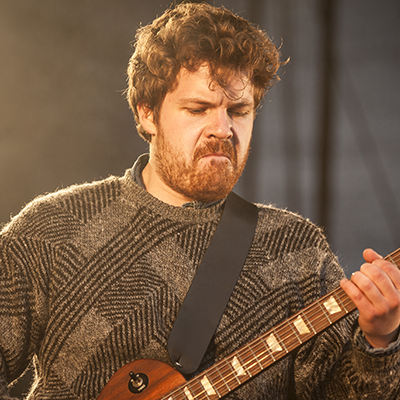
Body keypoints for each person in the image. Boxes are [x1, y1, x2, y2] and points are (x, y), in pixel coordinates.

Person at [1, 3, 399, 399]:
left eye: (239, 111)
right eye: (198, 109)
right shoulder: (52, 230)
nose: (223, 130)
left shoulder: (296, 251)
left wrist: (379, 341)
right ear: (147, 114)